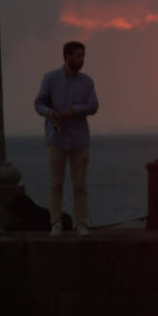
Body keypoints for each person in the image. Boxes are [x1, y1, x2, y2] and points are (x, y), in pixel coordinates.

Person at [34, 41, 99, 236]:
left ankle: (81, 223)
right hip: (57, 139)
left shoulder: (87, 81)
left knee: (80, 185)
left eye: (83, 55)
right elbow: (38, 103)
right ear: (67, 56)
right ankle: (55, 223)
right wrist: (48, 112)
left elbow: (94, 106)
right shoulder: (51, 78)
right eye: (78, 55)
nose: (82, 59)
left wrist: (76, 110)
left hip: (79, 140)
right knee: (56, 184)